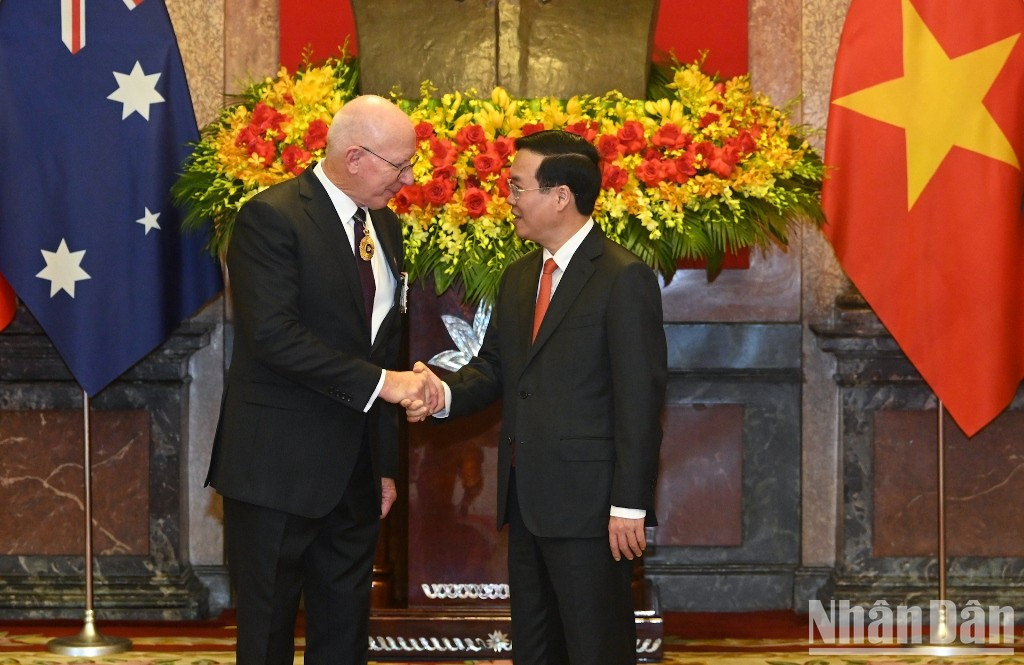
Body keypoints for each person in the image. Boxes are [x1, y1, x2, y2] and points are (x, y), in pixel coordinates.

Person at [406, 129, 668, 664]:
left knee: (595, 648)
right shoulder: (520, 277)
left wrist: (629, 505)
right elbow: (497, 369)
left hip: (593, 508)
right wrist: (441, 396)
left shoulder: (623, 277)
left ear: (561, 196)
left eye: (518, 186)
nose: (509, 198)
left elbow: (640, 400)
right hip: (526, 502)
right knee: (536, 648)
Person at [205, 95, 438, 665]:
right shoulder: (273, 216)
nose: (408, 179)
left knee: (343, 632)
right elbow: (274, 338)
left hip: (354, 473)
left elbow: (379, 343)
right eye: (399, 165)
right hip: (276, 470)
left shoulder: (385, 226)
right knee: (267, 633)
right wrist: (386, 384)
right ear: (356, 156)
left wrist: (384, 464)